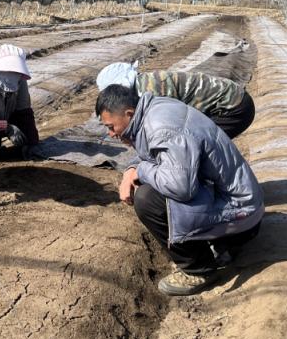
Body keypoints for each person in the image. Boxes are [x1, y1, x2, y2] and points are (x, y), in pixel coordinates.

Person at [95, 85, 264, 296]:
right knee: (151, 184)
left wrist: (141, 169)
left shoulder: (161, 127)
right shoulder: (154, 109)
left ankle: (198, 269)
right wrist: (132, 168)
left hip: (241, 213)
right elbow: (152, 153)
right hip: (239, 202)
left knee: (147, 199)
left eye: (111, 127)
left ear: (129, 114)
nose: (110, 134)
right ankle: (216, 246)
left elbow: (182, 188)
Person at [96, 61, 255, 139]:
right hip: (225, 103)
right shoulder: (140, 86)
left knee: (198, 144)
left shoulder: (151, 90)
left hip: (232, 106)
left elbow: (171, 128)